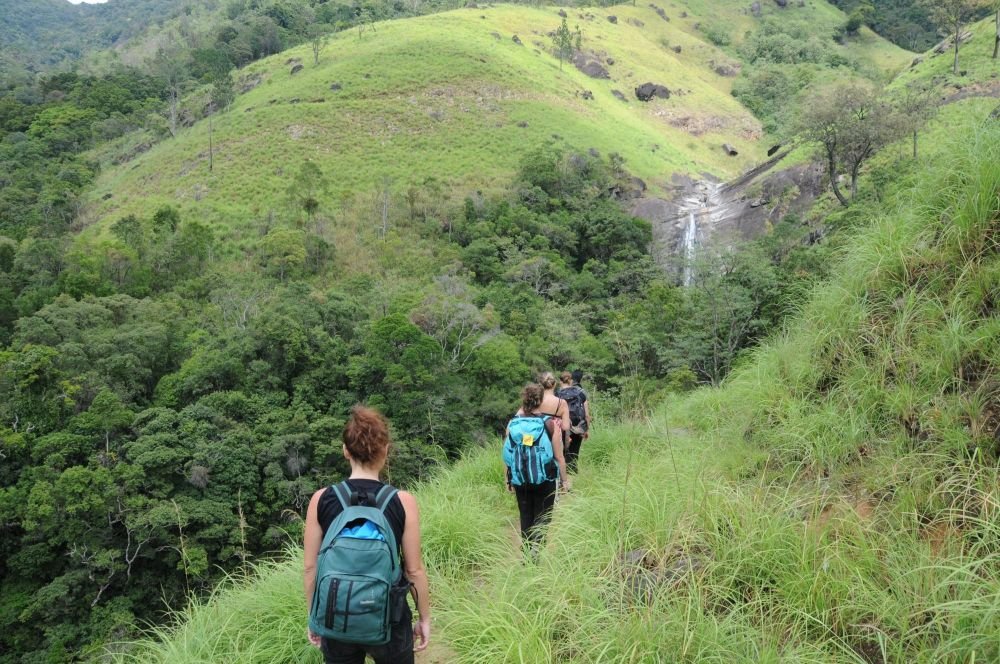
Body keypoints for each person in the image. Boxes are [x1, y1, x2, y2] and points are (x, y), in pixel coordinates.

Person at [304, 406, 431, 663]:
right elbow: (414, 571)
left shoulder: (321, 499)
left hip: (334, 615)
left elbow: (310, 568)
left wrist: (314, 618)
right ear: (385, 449)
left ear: (345, 450)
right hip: (390, 618)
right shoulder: (403, 501)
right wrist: (424, 619)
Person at [505, 383, 569, 548]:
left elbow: (508, 456)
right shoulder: (549, 424)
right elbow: (559, 457)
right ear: (540, 401)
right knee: (543, 518)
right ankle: (537, 554)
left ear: (524, 400)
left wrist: (509, 479)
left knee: (525, 516)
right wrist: (564, 481)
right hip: (545, 480)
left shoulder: (513, 425)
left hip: (521, 479)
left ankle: (526, 554)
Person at [556, 369, 591, 473]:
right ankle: (573, 476)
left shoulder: (557, 394)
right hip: (578, 428)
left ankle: (562, 479)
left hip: (562, 428)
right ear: (571, 381)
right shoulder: (580, 393)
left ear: (560, 381)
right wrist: (586, 429)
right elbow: (587, 415)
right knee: (574, 454)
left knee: (561, 454)